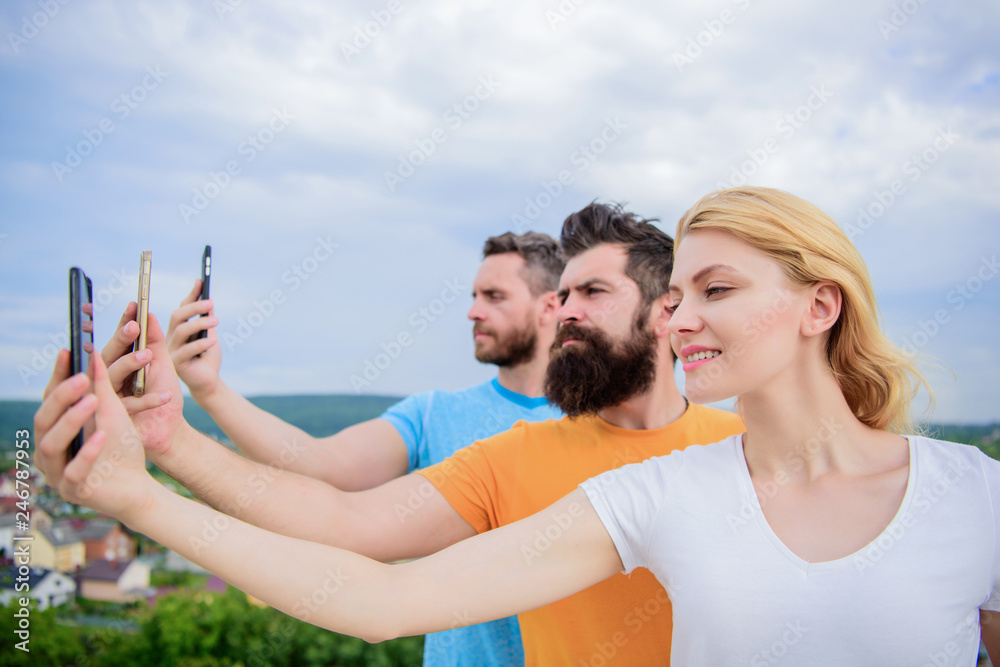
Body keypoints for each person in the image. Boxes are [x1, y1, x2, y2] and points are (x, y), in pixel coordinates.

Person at [35, 202, 744, 665]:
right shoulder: (513, 452)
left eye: (592, 293)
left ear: (666, 313)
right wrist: (168, 440)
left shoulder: (743, 443)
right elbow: (339, 514)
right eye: (564, 297)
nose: (566, 314)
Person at [164, 231, 566, 667]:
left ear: (549, 306)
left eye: (494, 296)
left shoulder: (602, 426)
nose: (473, 311)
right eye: (474, 295)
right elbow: (323, 465)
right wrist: (210, 391)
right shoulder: (434, 413)